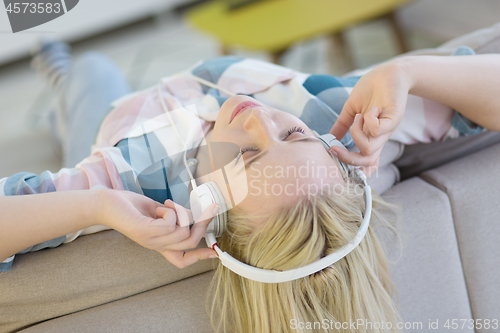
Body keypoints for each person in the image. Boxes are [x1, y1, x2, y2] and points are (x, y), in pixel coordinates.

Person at [1, 41, 499, 332]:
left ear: (208, 210)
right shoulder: (338, 118)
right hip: (198, 81)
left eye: (245, 154)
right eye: (294, 134)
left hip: (125, 117)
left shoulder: (133, 178)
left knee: (89, 76)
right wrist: (408, 69)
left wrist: (97, 203)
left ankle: (57, 68)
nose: (260, 120)